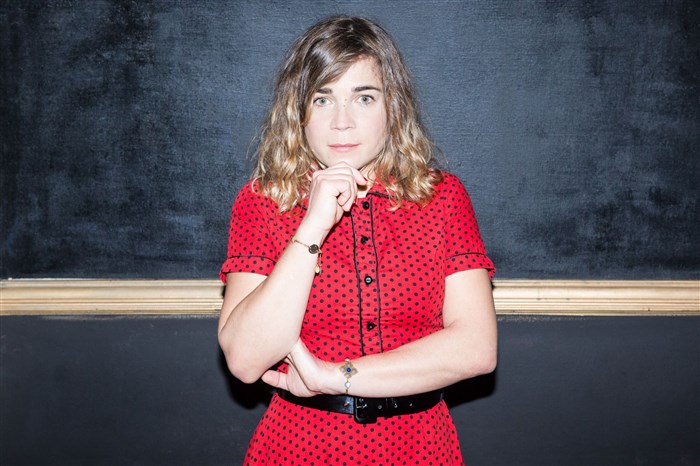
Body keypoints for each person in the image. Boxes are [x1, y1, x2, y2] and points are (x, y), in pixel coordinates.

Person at [218, 15, 497, 465]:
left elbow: (476, 349)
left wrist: (334, 377)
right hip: (300, 447)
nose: (342, 122)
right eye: (322, 99)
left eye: (364, 98)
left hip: (419, 447)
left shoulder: (442, 197)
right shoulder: (263, 202)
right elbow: (247, 360)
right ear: (298, 112)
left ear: (393, 107)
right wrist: (312, 227)